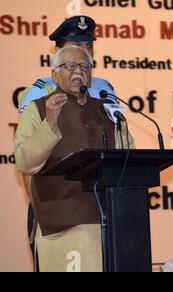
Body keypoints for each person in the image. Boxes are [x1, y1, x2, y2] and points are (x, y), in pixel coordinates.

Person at [14, 45, 134, 272]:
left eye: (85, 66)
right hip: (61, 228)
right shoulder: (38, 109)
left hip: (109, 226)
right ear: (54, 74)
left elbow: (128, 155)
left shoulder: (107, 110)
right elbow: (24, 161)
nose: (78, 70)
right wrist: (49, 123)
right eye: (69, 65)